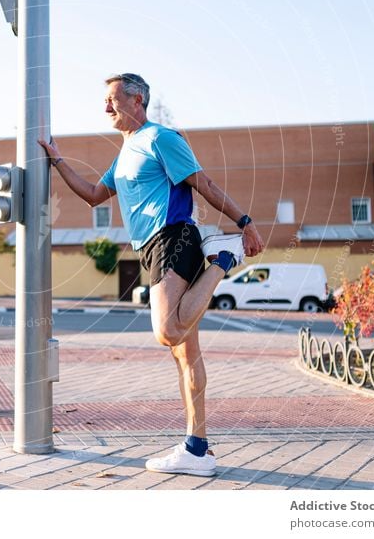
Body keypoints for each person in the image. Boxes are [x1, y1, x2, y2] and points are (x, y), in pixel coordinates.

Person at [39, 73, 264, 476]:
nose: (106, 107)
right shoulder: (124, 154)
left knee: (167, 332)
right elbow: (93, 195)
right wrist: (56, 161)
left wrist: (244, 221)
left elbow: (204, 183)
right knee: (185, 353)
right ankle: (198, 449)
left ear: (137, 99)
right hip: (153, 248)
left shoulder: (161, 138)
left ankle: (223, 260)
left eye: (112, 99)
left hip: (173, 236)